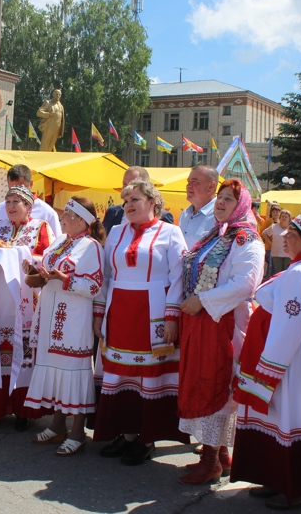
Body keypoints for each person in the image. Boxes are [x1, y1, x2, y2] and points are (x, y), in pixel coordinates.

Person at [231, 212, 301, 511]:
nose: (284, 236)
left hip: (290, 359)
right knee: (280, 418)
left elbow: (289, 324)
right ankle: (276, 479)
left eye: (291, 233)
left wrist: (267, 370)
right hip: (292, 354)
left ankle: (296, 487)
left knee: (290, 417)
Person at [93, 180, 188, 465]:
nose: (128, 205)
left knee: (150, 376)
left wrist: (172, 316)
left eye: (134, 199)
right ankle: (128, 434)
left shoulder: (171, 233)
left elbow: (179, 277)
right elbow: (106, 274)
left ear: (152, 202)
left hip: (153, 314)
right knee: (122, 374)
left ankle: (146, 439)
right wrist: (100, 312)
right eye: (125, 201)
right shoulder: (117, 232)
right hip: (120, 311)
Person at [175, 179, 264, 485]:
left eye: (229, 199)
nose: (222, 203)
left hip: (225, 323)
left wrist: (202, 300)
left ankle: (210, 459)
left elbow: (245, 285)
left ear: (241, 206)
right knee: (204, 382)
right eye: (221, 198)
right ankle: (220, 455)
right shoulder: (216, 236)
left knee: (219, 386)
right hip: (203, 322)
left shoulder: (247, 240)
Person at [24, 197, 105, 456]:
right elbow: (47, 266)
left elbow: (95, 286)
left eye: (69, 215)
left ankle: (78, 432)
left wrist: (66, 279)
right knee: (55, 369)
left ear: (82, 220)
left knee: (73, 369)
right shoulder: (60, 241)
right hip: (50, 313)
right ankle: (58, 424)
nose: (63, 218)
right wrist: (35, 268)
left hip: (73, 317)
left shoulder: (91, 247)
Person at [0, 185, 54, 432]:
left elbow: (45, 258)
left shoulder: (39, 227)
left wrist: (21, 255)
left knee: (23, 350)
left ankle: (22, 411)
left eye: (17, 201)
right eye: (8, 201)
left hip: (25, 297)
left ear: (28, 206)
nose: (11, 205)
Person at [0, 164, 61, 239]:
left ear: (31, 184)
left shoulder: (48, 213)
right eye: (12, 189)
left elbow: (56, 245)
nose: (17, 192)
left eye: (20, 188)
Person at [103, 167, 173, 235]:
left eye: (132, 184)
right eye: (124, 184)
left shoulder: (164, 219)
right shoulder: (112, 213)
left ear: (146, 187)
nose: (127, 188)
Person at [178, 165, 219, 248]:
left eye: (194, 182)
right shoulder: (185, 214)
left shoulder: (220, 215)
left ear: (211, 187)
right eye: (188, 182)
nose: (188, 186)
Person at [262, 209, 292, 274]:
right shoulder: (274, 226)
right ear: (280, 218)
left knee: (287, 272)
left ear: (289, 219)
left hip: (288, 254)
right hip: (277, 253)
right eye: (282, 216)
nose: (284, 218)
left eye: (286, 216)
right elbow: (264, 233)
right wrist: (271, 243)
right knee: (278, 273)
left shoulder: (292, 228)